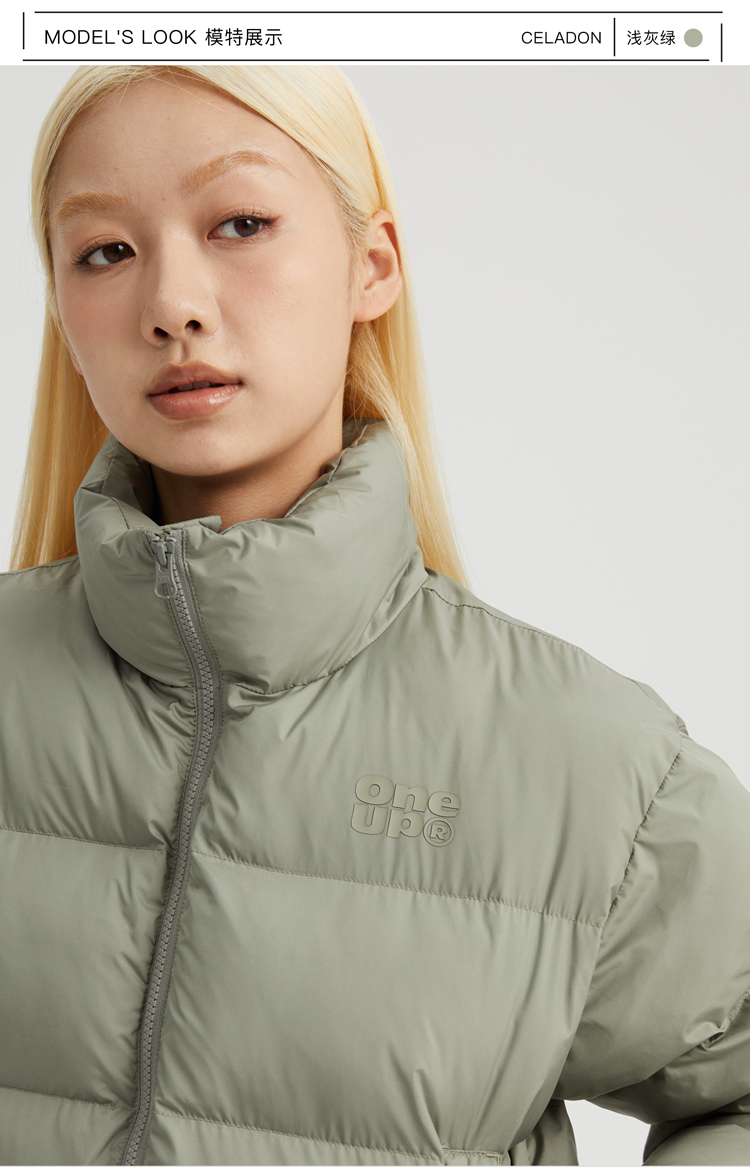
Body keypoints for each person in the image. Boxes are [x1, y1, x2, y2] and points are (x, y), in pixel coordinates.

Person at [1, 63, 748, 1167]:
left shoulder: (596, 771)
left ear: (373, 265)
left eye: (241, 223)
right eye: (105, 250)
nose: (173, 305)